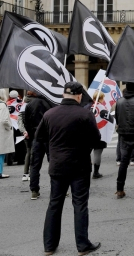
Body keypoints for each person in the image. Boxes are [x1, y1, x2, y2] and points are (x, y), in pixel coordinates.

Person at [35, 82, 101, 255]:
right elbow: (96, 139)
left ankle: (49, 245)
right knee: (80, 204)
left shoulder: (50, 113)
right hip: (79, 165)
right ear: (79, 96)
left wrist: (53, 149)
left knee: (54, 204)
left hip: (57, 165)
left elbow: (39, 136)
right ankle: (82, 245)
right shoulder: (85, 114)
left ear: (64, 94)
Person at [20, 91, 53, 199]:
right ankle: (57, 188)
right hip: (48, 137)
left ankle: (34, 190)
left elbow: (26, 121)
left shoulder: (30, 105)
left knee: (35, 165)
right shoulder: (50, 103)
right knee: (53, 163)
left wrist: (30, 134)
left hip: (36, 137)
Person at [91, 92, 113, 180]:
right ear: (100, 98)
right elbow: (108, 120)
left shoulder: (88, 106)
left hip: (88, 133)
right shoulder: (102, 108)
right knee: (97, 153)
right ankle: (95, 172)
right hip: (99, 133)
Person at [0, 90, 14, 179]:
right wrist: (10, 127)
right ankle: (0, 172)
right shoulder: (2, 105)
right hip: (2, 131)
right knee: (1, 153)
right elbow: (4, 120)